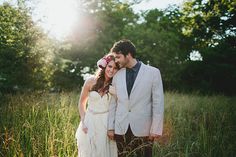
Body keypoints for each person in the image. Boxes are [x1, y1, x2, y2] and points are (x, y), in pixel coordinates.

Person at [107, 39, 164, 157]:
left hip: (144, 129)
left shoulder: (153, 72)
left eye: (118, 57)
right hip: (121, 128)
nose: (116, 61)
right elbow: (113, 103)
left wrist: (155, 128)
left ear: (128, 54)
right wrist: (110, 127)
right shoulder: (117, 75)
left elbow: (158, 103)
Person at [75, 54, 119, 157]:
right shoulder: (91, 81)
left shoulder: (115, 85)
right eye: (110, 66)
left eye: (115, 68)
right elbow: (81, 103)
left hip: (106, 123)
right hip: (90, 121)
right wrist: (83, 120)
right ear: (104, 66)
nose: (112, 70)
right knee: (89, 152)